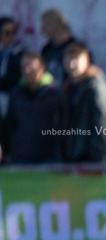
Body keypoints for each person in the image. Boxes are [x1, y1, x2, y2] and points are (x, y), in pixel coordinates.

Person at [62, 42, 106, 162]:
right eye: (68, 59)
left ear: (87, 61)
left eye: (76, 59)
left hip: (89, 158)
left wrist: (95, 154)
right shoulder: (67, 87)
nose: (71, 64)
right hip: (71, 155)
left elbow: (103, 123)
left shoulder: (96, 86)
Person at [7, 51, 60, 163]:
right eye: (24, 67)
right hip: (23, 156)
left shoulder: (55, 93)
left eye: (31, 66)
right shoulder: (16, 93)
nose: (27, 70)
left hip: (50, 156)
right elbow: (11, 125)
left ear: (42, 68)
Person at [0, 17, 26, 164]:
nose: (11, 36)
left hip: (12, 103)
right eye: (7, 32)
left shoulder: (19, 53)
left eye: (13, 32)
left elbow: (12, 81)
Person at [40, 8, 79, 86]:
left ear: (54, 25)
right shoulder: (47, 49)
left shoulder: (76, 48)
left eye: (45, 26)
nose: (42, 30)